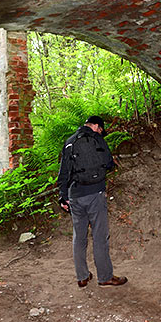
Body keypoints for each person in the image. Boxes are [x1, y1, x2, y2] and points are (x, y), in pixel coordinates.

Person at [58, 116, 127, 288]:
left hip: (74, 196)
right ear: (96, 126)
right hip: (95, 193)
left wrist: (63, 196)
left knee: (79, 237)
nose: (101, 132)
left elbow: (63, 173)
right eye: (101, 129)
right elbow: (108, 163)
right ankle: (105, 277)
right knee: (99, 236)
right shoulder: (97, 139)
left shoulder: (69, 142)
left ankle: (82, 277)